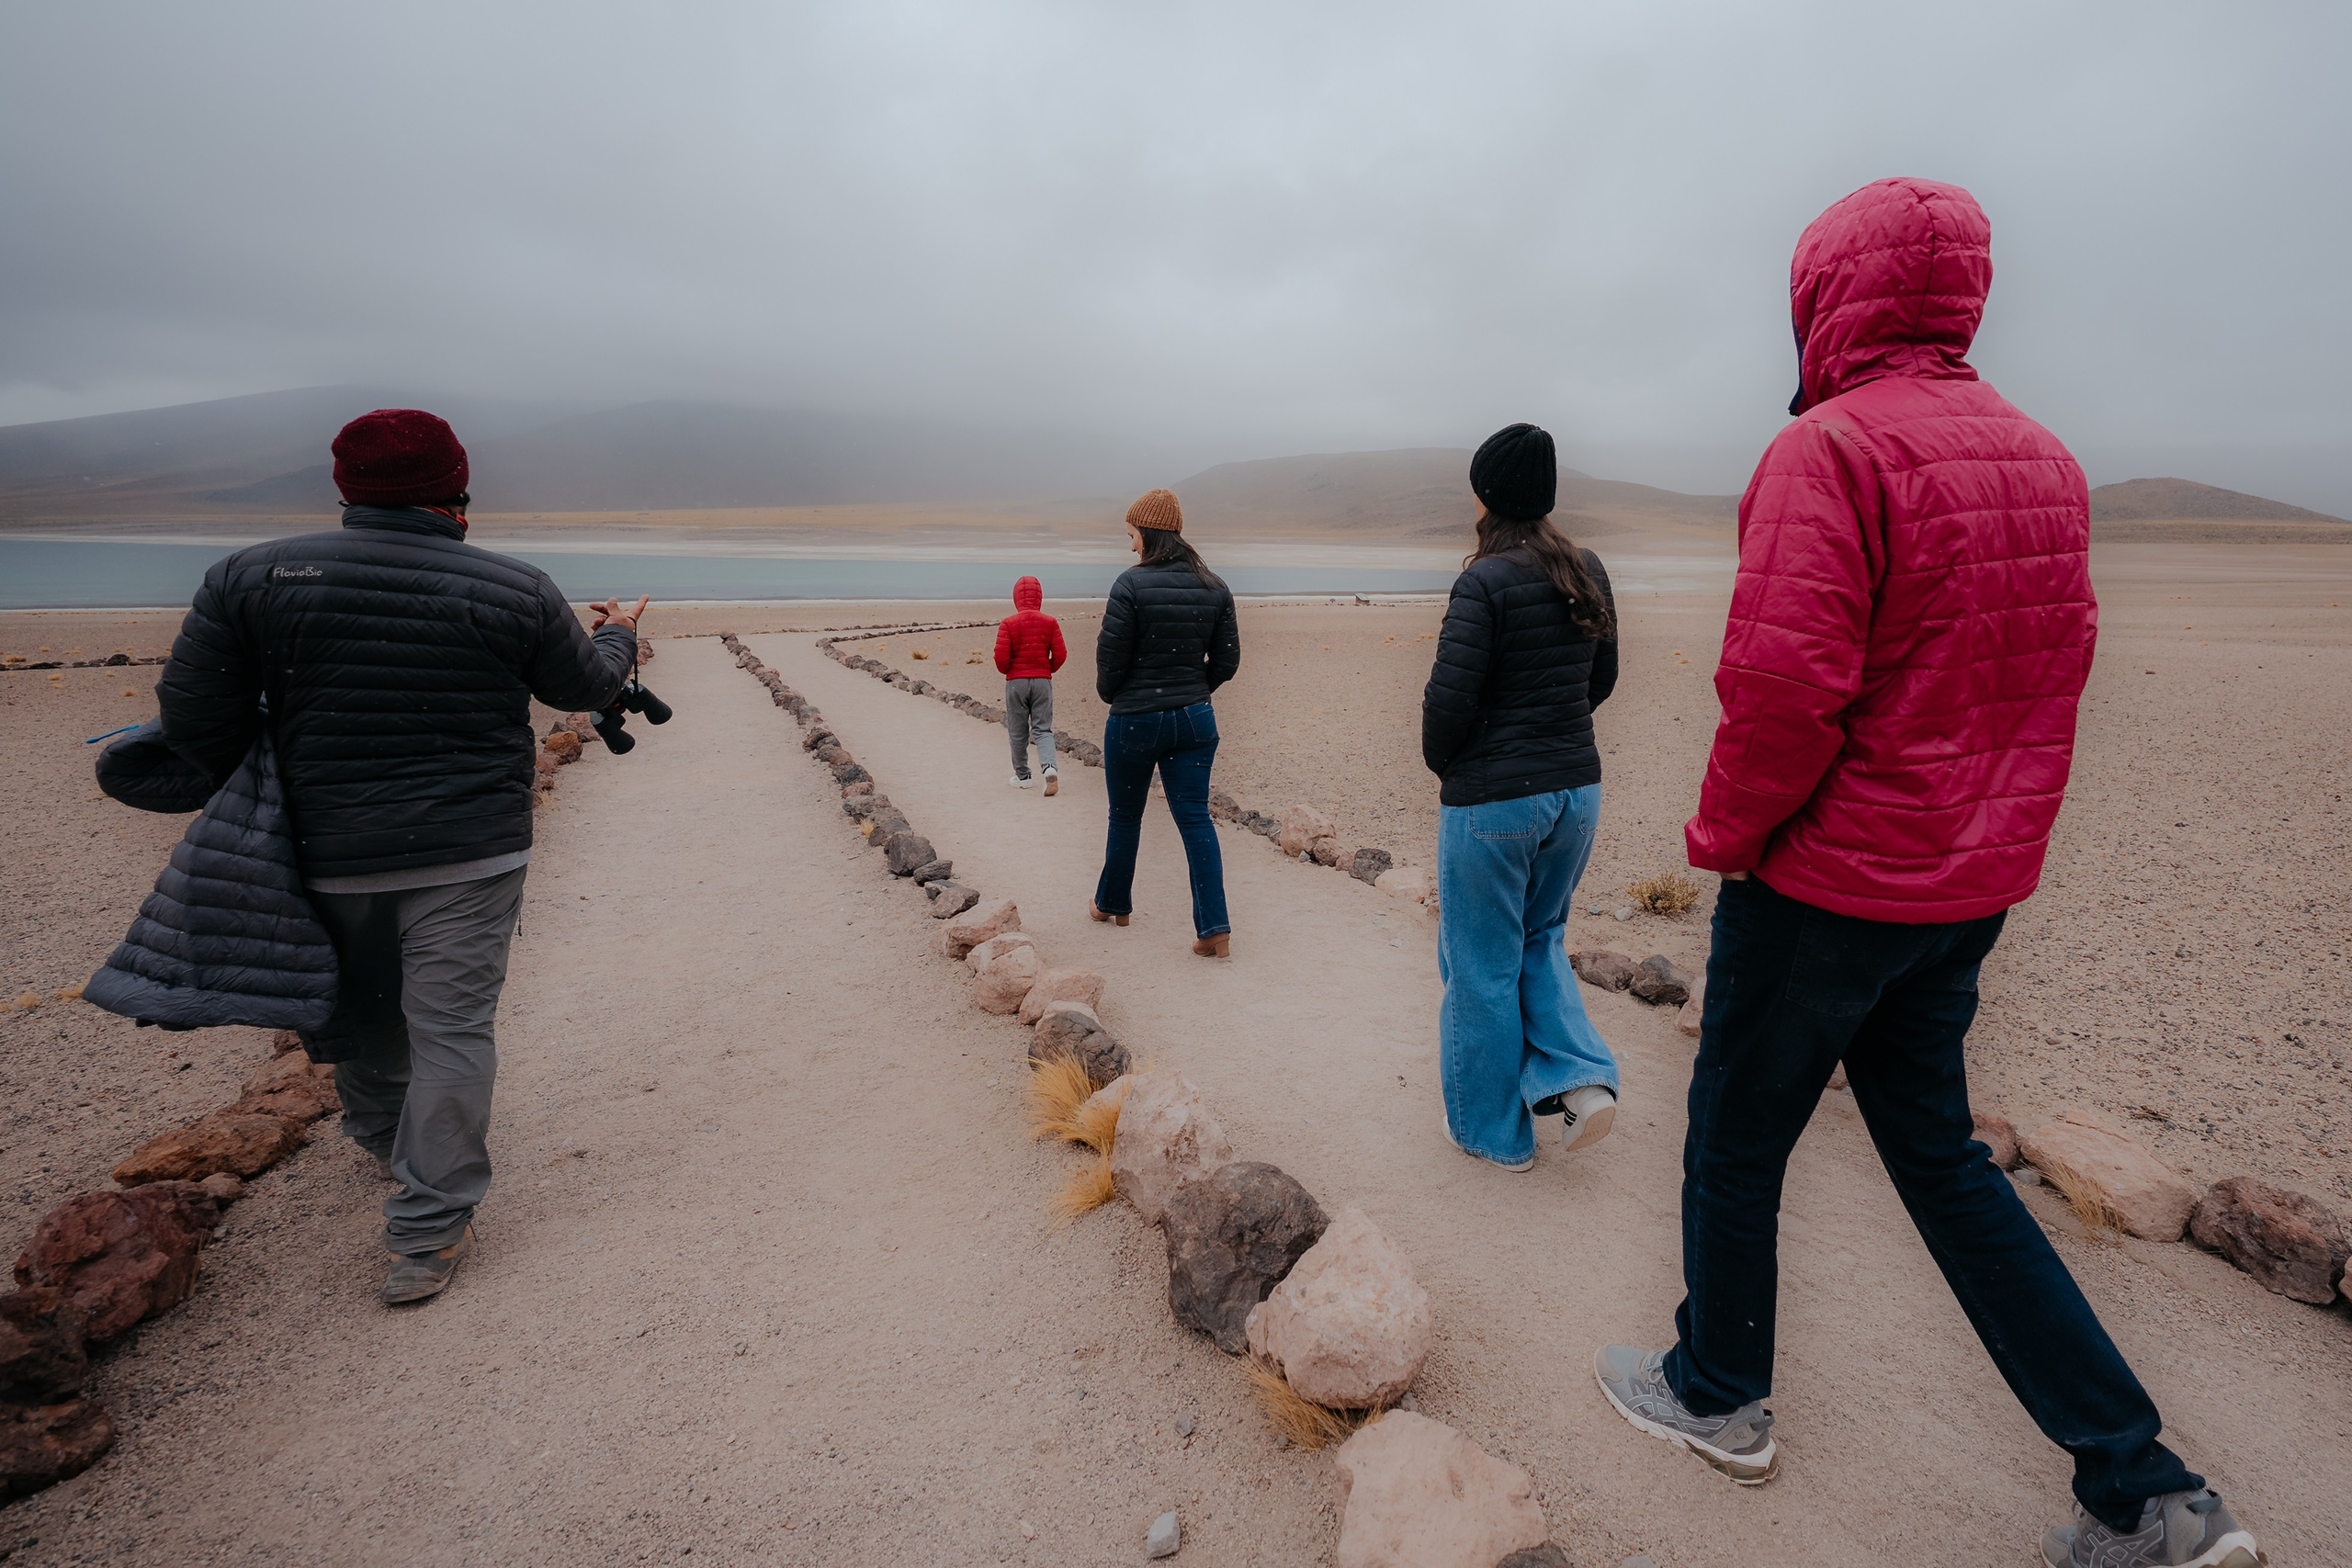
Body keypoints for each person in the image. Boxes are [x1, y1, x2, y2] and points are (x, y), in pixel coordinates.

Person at [1590, 180, 2263, 1568]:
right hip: (1962, 885)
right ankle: (2142, 1486)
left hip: (1828, 883)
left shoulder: (1829, 448)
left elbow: (1783, 691)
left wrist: (1724, 840)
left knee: (1734, 1139)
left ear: (1826, 294)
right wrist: (1984, 836)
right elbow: (2052, 664)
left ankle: (1717, 1393)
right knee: (1942, 1159)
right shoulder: (2042, 456)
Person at [156, 407, 647, 1307]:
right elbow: (586, 685)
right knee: (452, 1028)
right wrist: (618, 632)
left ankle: (391, 1146)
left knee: (364, 1012)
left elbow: (193, 720)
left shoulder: (249, 577)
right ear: (456, 487)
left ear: (346, 485)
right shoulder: (514, 587)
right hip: (470, 853)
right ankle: (427, 1232)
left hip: (323, 849)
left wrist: (280, 775)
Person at [1421, 423, 1622, 1172]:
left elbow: (1448, 703)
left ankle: (1493, 1134)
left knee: (1480, 967)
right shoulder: (1586, 568)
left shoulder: (1483, 580)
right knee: (1539, 940)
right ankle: (1582, 1078)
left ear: (1487, 495)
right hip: (1577, 794)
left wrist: (1456, 767)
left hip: (1494, 802)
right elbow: (1601, 679)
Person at [1091, 489, 1240, 956]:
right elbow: (1228, 661)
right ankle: (1214, 928)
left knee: (1125, 816)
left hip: (1135, 721)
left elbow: (1110, 660)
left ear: (1149, 533)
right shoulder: (1215, 586)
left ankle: (1113, 903)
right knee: (1196, 819)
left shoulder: (1129, 585)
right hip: (1195, 720)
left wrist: (1118, 696)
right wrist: (1193, 692)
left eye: (1132, 535)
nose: (1131, 545)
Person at [994, 573, 1067, 794]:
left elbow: (1001, 658)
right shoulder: (1050, 622)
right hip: (1042, 681)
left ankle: (1023, 776)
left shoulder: (1008, 623)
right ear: (1039, 597)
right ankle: (1049, 767)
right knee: (1043, 728)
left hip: (1016, 682)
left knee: (1018, 731)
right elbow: (1061, 654)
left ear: (1016, 597)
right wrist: (1047, 669)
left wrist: (1010, 671)